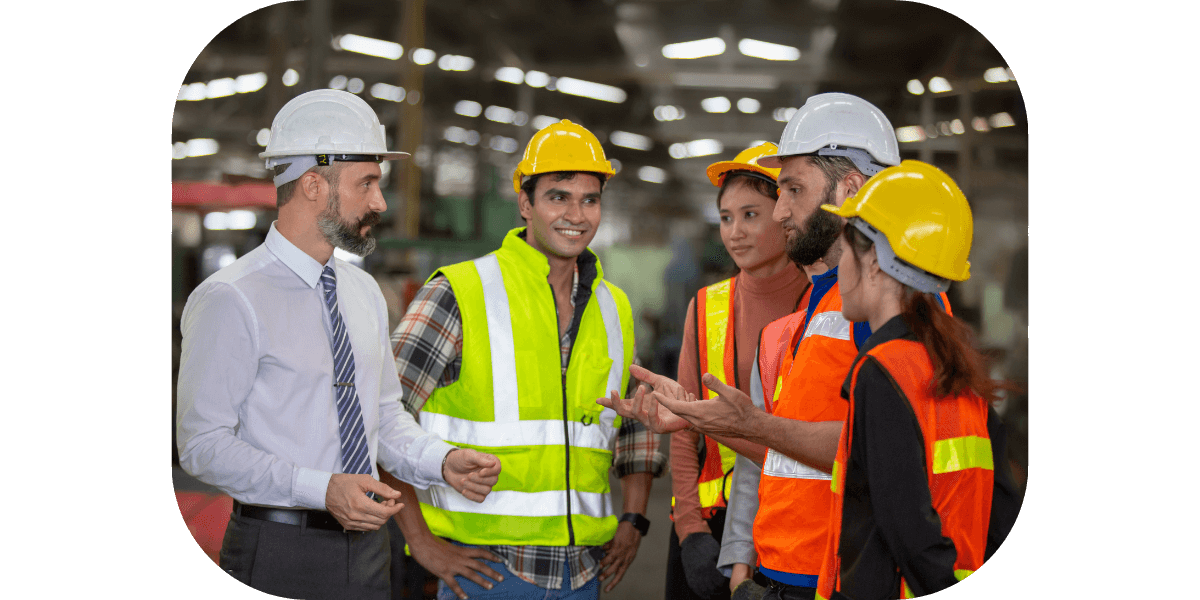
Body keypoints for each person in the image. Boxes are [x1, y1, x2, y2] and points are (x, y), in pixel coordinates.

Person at [176, 89, 502, 600]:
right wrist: (320, 488)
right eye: (366, 183)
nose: (379, 202)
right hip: (278, 551)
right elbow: (201, 445)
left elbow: (384, 417)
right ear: (312, 184)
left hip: (370, 550)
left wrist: (440, 461)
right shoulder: (230, 298)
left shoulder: (362, 292)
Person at [601, 92, 913, 600]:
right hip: (789, 566)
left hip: (845, 570)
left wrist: (744, 425)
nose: (780, 210)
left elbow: (876, 448)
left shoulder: (882, 298)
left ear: (850, 187)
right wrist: (699, 422)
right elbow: (787, 452)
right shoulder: (822, 301)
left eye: (791, 190)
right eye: (728, 217)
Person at [384, 119, 666, 600]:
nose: (576, 214)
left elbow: (635, 424)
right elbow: (381, 416)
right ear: (525, 203)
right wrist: (423, 544)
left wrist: (634, 519)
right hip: (487, 572)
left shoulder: (612, 306)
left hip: (583, 574)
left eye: (590, 199)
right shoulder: (458, 292)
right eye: (558, 196)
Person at [814, 160, 1014, 599]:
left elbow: (907, 529)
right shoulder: (958, 369)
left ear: (873, 262)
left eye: (844, 251)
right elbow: (1002, 513)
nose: (838, 268)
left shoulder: (882, 371)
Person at [666, 143, 810, 600]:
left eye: (750, 214)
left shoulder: (823, 306)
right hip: (706, 525)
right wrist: (690, 531)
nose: (735, 232)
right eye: (726, 218)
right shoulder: (706, 307)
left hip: (788, 521)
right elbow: (684, 424)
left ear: (786, 213)